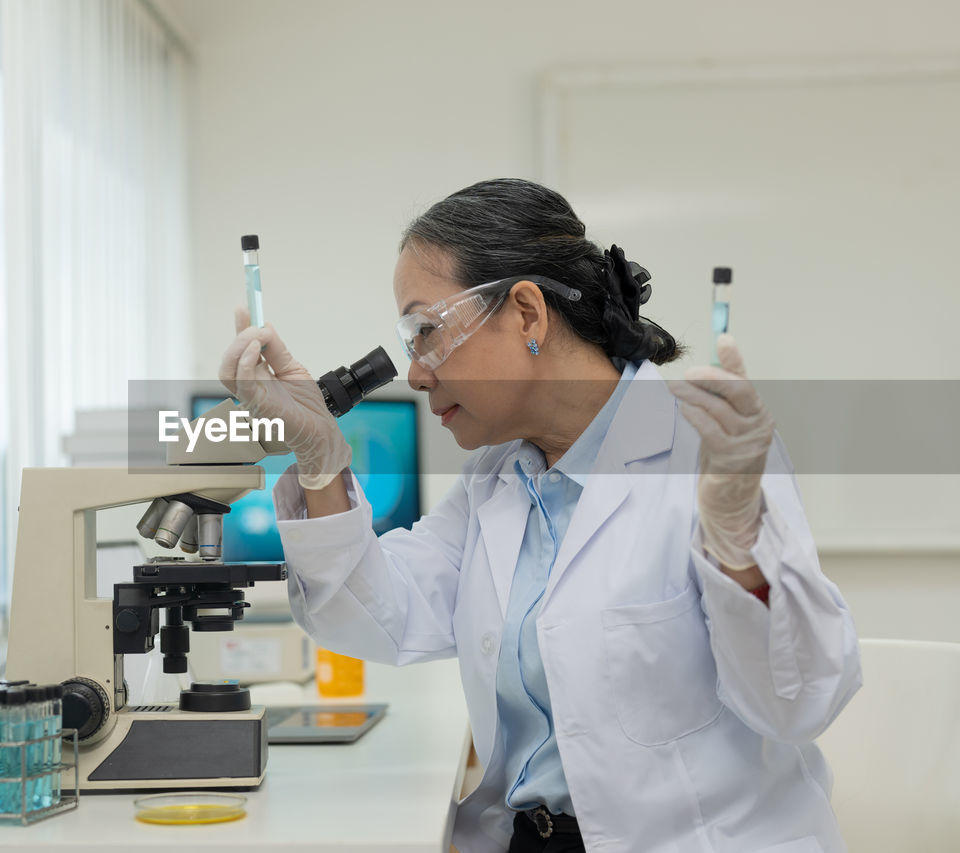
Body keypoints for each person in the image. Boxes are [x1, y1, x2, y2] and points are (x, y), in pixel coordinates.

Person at [219, 179, 861, 853]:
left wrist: (739, 552)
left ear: (527, 313)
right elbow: (378, 611)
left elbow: (797, 702)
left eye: (426, 332)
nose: (415, 373)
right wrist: (318, 454)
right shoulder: (497, 481)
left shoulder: (712, 455)